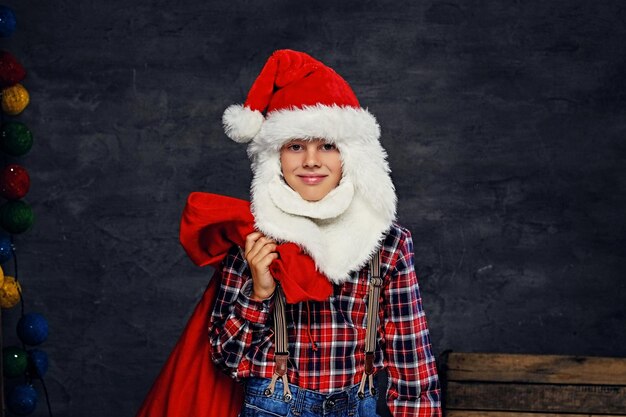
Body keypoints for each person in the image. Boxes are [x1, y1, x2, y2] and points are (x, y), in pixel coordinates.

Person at [209, 49, 442, 417]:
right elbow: (227, 360)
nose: (312, 161)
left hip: (356, 406)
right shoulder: (254, 239)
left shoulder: (388, 243)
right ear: (275, 159)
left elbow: (412, 362)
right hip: (272, 407)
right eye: (296, 146)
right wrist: (259, 292)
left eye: (327, 145)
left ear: (351, 155)